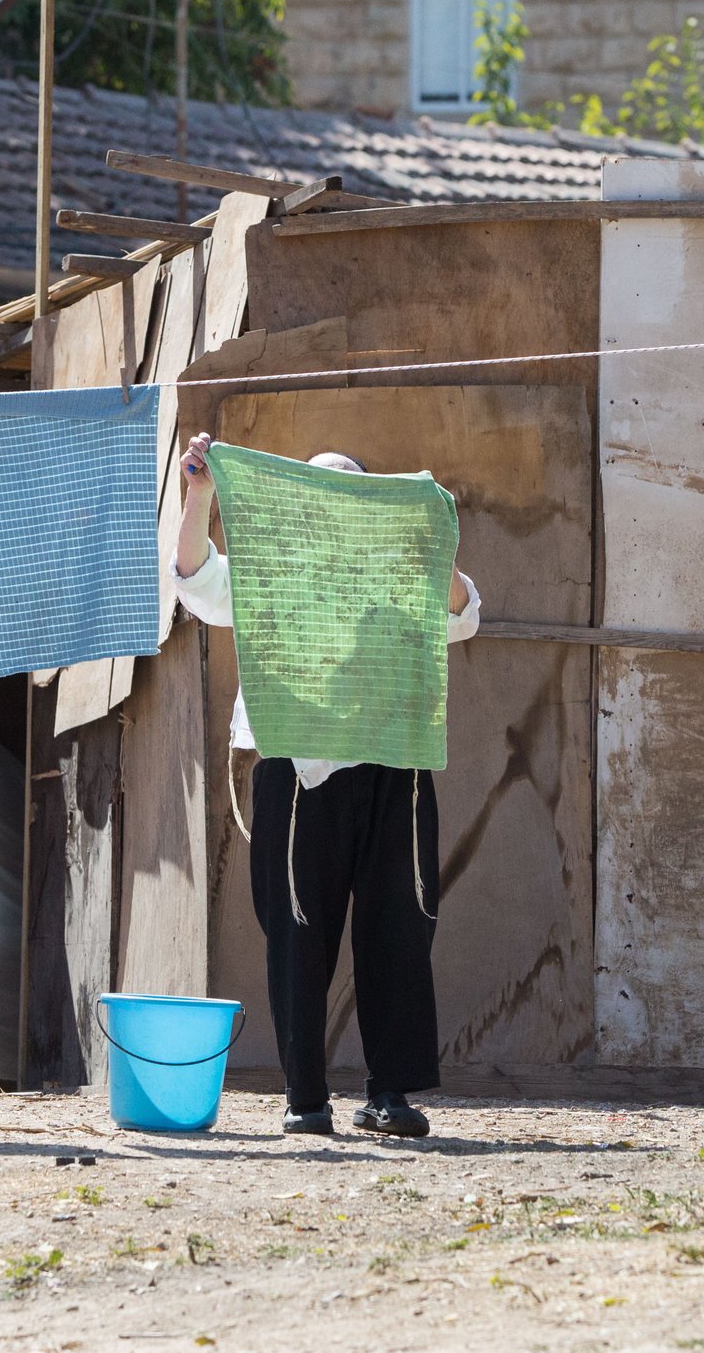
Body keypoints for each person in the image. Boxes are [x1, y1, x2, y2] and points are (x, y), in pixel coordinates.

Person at [169, 431, 480, 1139]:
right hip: (298, 768)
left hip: (391, 770)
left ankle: (390, 1094)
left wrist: (428, 538)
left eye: (347, 491)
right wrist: (199, 494)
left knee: (399, 930)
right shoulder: (275, 571)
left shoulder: (396, 571)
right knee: (298, 933)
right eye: (320, 491)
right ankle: (304, 1097)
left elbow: (462, 616)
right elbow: (194, 578)